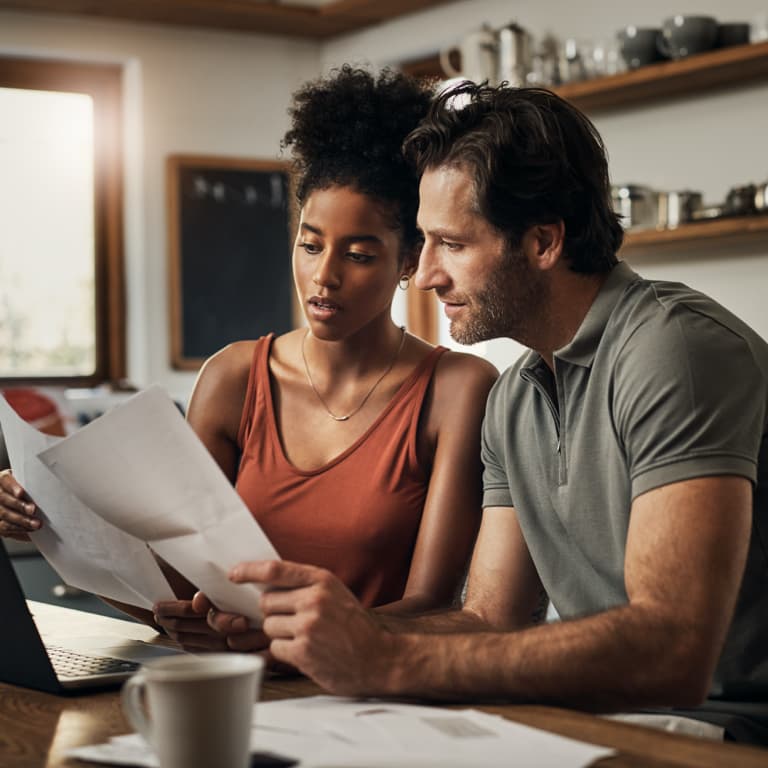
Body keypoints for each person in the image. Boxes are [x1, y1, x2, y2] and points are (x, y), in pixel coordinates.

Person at [203, 83, 768, 745]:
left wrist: (385, 657)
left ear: (543, 242)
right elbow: (490, 619)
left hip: (728, 732)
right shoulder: (517, 394)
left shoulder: (675, 350)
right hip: (606, 722)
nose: (426, 274)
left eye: (452, 244)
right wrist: (308, 629)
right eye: (424, 242)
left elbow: (672, 652)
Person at [0, 68, 497, 650]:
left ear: (410, 261)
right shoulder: (234, 378)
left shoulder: (458, 388)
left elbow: (431, 606)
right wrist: (51, 525)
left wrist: (285, 636)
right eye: (309, 245)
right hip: (233, 689)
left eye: (359, 255)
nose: (324, 276)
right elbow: (176, 592)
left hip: (372, 700)